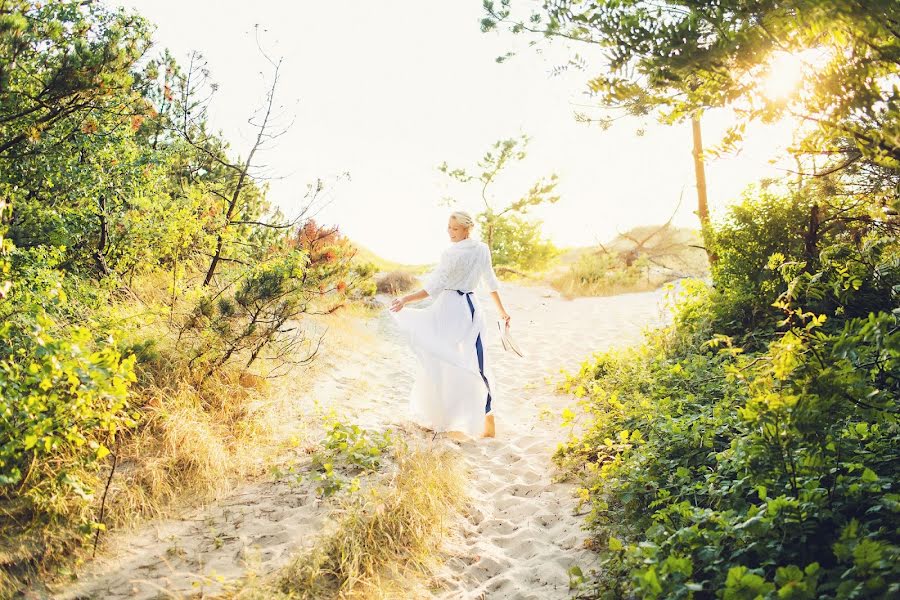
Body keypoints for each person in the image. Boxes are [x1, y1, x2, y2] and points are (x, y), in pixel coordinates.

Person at [389, 211, 511, 439]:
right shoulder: (482, 249)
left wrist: (405, 299)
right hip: (472, 308)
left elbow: (433, 287)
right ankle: (482, 421)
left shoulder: (451, 253)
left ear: (467, 229)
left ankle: (451, 419)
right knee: (474, 362)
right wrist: (501, 311)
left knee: (446, 361)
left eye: (454, 228)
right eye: (448, 227)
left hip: (450, 309)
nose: (450, 232)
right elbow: (490, 282)